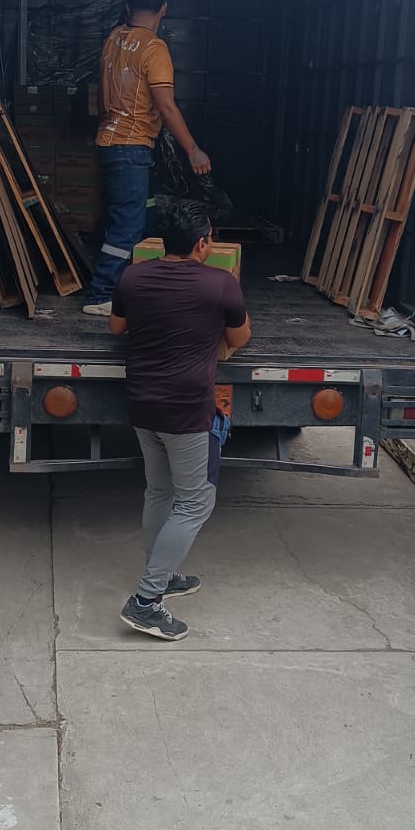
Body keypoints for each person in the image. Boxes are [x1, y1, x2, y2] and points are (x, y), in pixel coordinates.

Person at [109, 198, 251, 640]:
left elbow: (116, 328)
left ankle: (164, 574)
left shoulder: (133, 276)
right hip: (187, 409)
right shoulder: (220, 284)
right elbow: (240, 336)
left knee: (160, 490)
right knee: (194, 502)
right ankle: (146, 600)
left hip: (142, 402)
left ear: (162, 241)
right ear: (203, 243)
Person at [82, 0, 212, 316]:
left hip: (112, 142)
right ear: (164, 8)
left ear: (127, 6)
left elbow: (102, 96)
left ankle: (144, 282)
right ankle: (100, 293)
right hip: (131, 146)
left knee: (144, 214)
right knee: (127, 224)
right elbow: (166, 107)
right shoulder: (154, 49)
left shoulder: (114, 38)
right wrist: (193, 150)